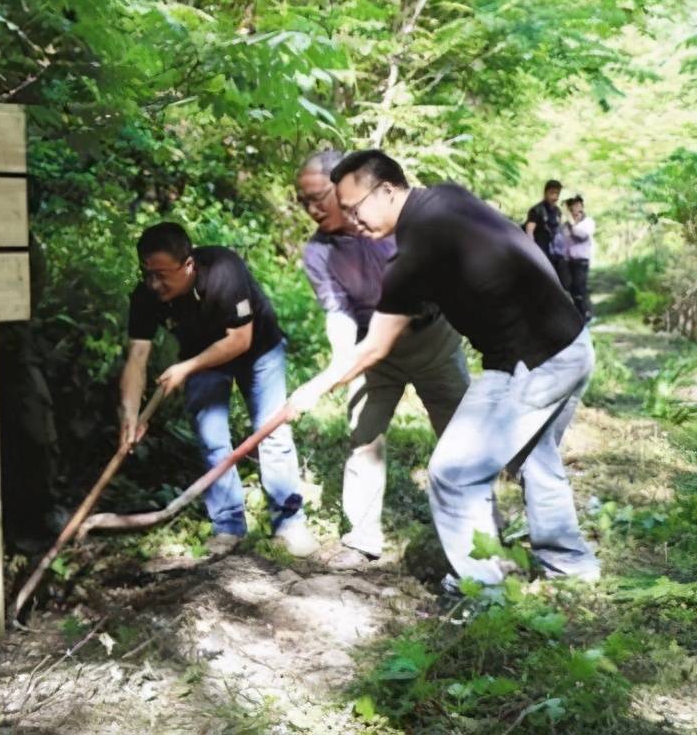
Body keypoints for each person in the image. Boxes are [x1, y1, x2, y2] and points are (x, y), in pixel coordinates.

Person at [286, 150, 600, 587]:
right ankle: (572, 569)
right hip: (571, 344)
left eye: (354, 209)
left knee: (452, 474)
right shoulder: (448, 199)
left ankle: (483, 590)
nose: (351, 220)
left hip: (531, 364)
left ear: (388, 190)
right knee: (535, 458)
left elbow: (374, 345)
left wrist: (311, 390)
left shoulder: (414, 253)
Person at [297, 150, 470, 566]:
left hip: (432, 341)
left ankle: (478, 535)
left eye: (320, 196)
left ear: (344, 190)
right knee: (363, 437)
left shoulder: (397, 224)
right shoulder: (318, 253)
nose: (312, 208)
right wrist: (341, 368)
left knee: (461, 436)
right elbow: (337, 315)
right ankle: (361, 537)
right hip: (369, 353)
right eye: (302, 201)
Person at [119, 222, 317, 556]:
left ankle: (289, 522)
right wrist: (129, 416)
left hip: (258, 351)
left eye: (162, 275)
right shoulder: (146, 296)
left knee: (272, 433)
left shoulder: (224, 269)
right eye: (147, 273)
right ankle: (228, 526)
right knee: (211, 438)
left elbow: (240, 340)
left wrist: (186, 368)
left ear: (189, 265)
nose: (154, 283)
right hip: (202, 358)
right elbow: (137, 358)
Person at [525, 180, 567, 284]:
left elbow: (559, 231)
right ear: (545, 193)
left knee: (558, 281)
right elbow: (529, 230)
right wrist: (532, 251)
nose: (555, 196)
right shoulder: (536, 210)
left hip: (555, 253)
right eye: (552, 193)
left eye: (557, 193)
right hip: (540, 251)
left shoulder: (558, 211)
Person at [563, 195, 594, 322]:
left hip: (581, 261)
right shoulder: (566, 224)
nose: (575, 209)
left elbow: (582, 237)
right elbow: (563, 241)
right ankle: (578, 315)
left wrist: (571, 225)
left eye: (578, 206)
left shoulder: (588, 222)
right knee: (571, 288)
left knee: (580, 287)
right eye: (573, 207)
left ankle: (585, 314)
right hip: (568, 261)